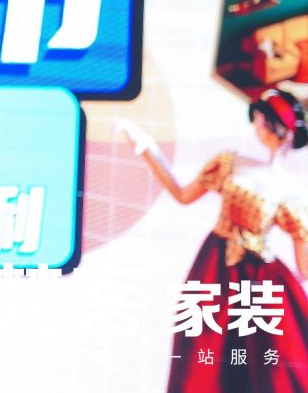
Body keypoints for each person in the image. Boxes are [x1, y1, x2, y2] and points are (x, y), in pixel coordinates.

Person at [120, 88, 308, 392]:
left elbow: (304, 266)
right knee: (203, 347)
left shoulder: (289, 190)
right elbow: (183, 194)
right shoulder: (230, 162)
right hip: (215, 266)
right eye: (259, 119)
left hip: (258, 277)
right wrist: (147, 150)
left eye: (266, 122)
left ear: (284, 132)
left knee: (265, 360)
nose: (259, 126)